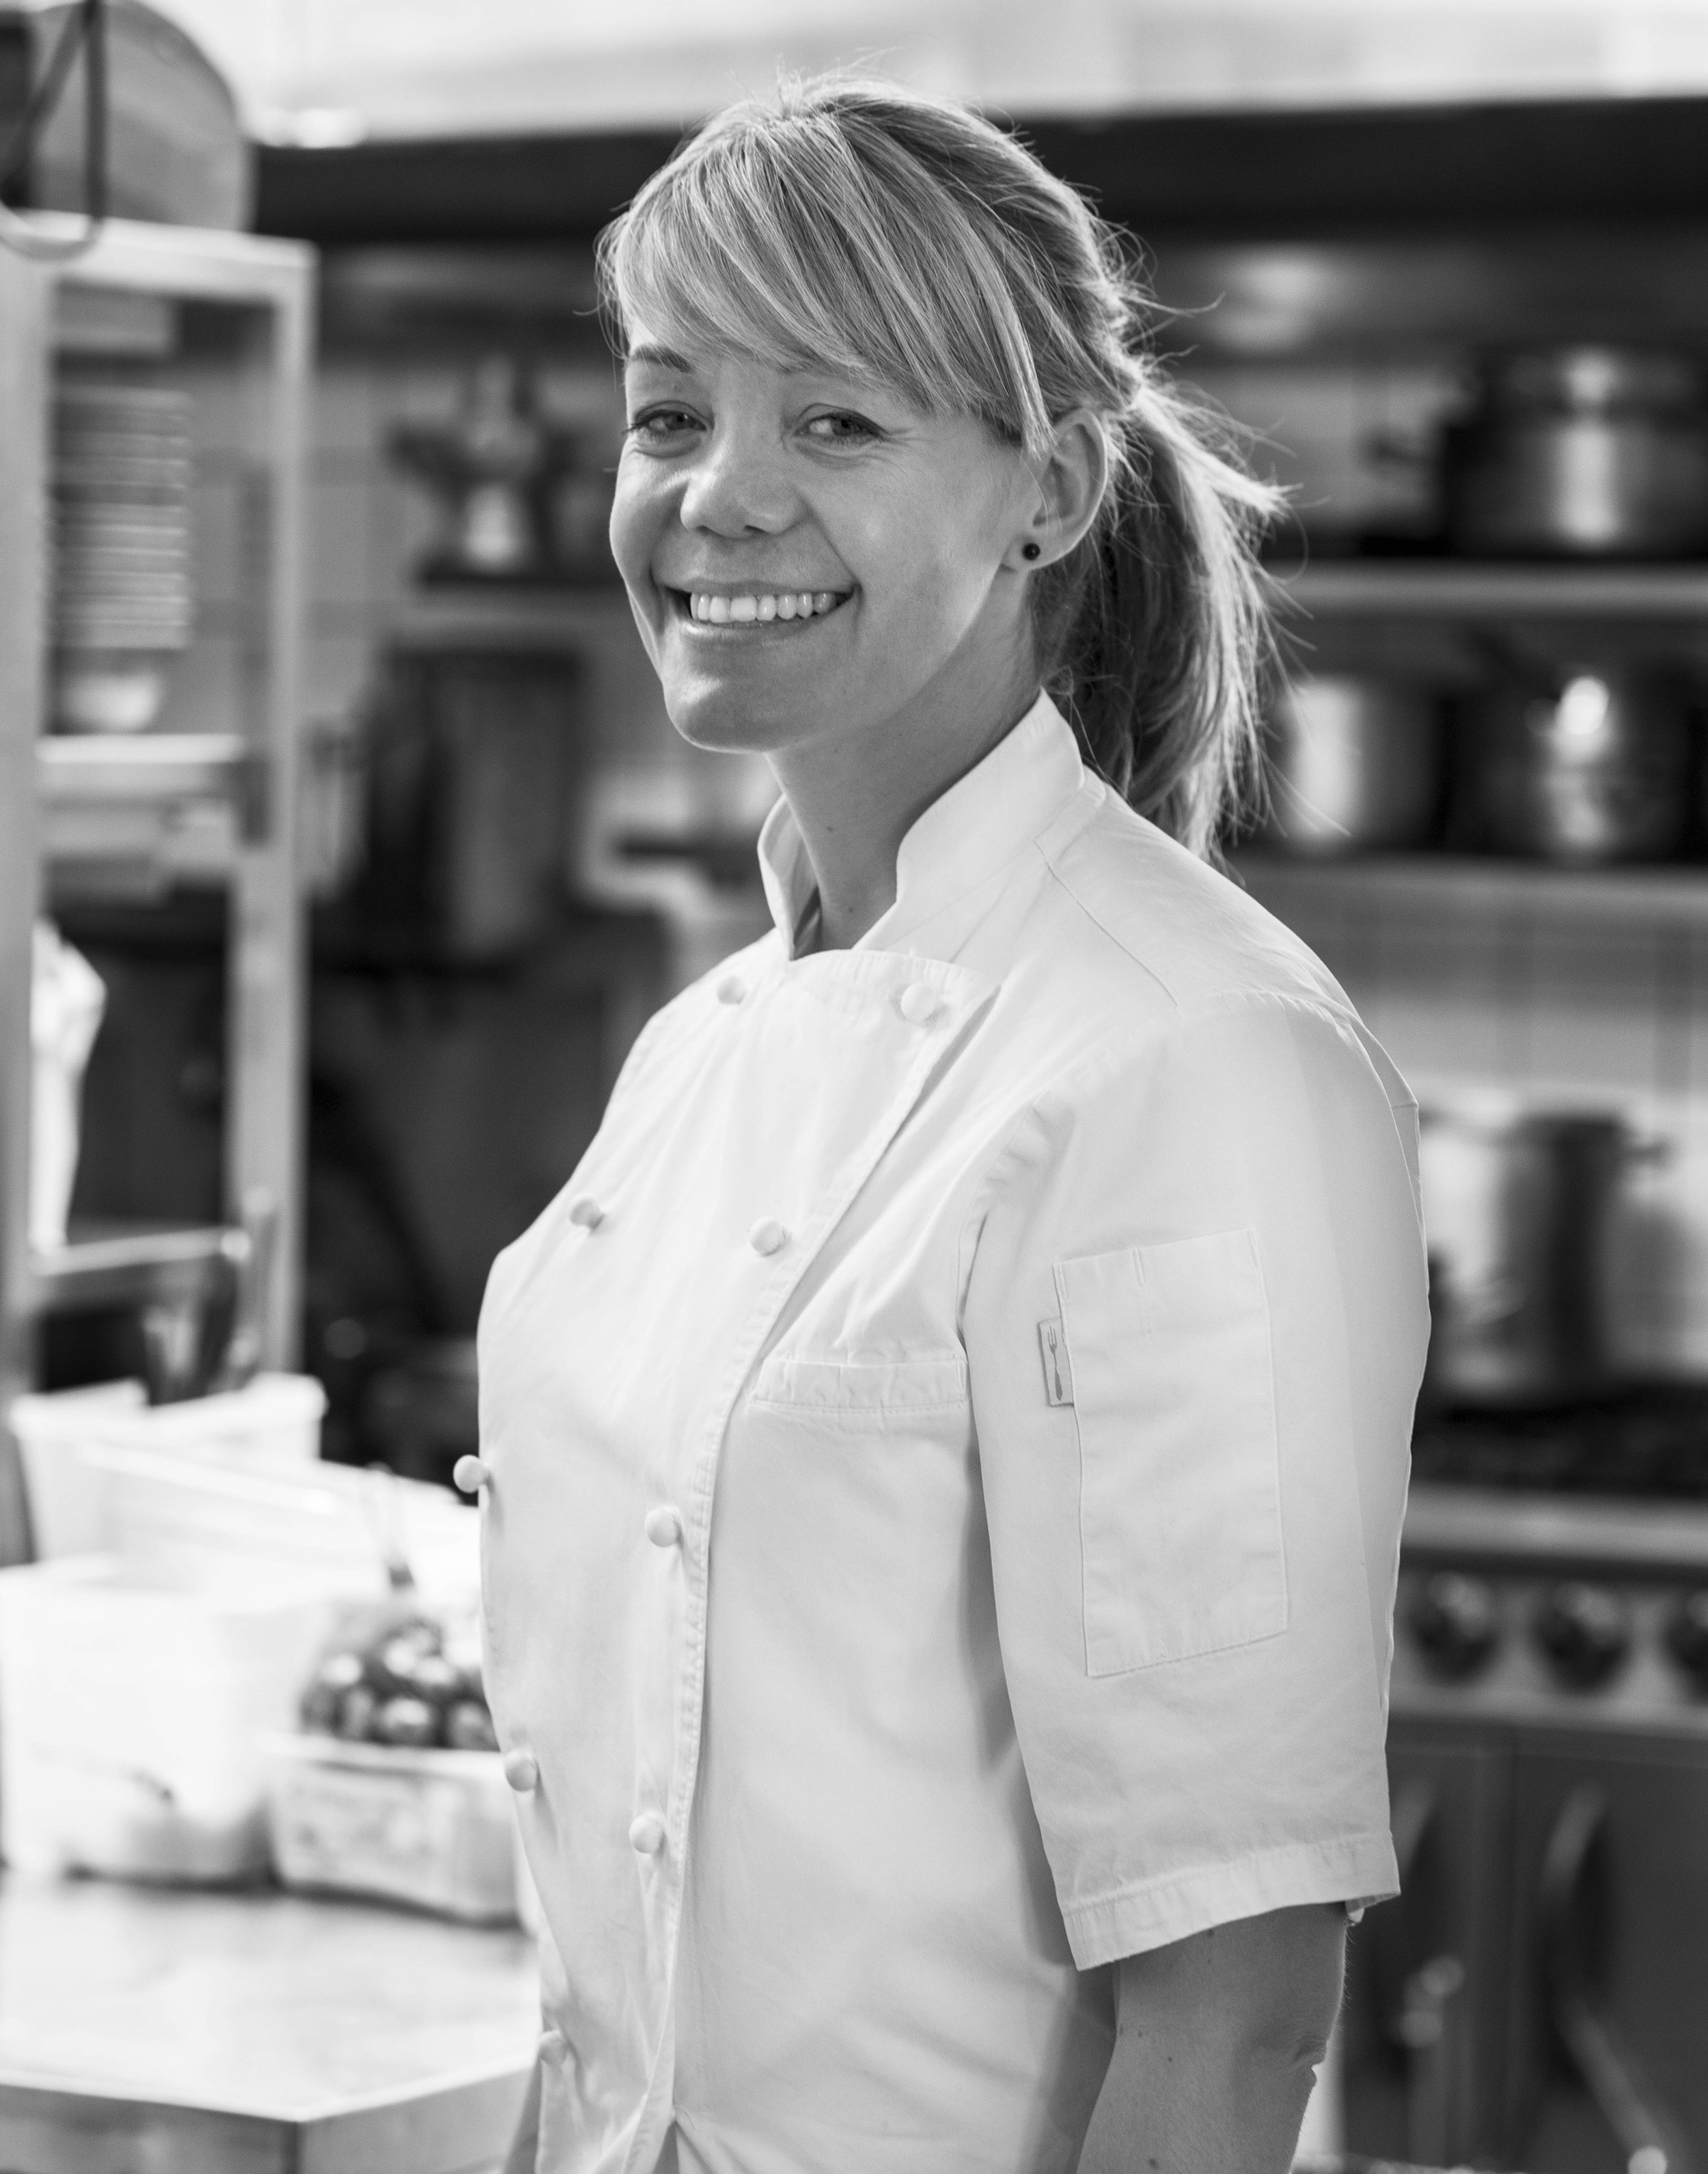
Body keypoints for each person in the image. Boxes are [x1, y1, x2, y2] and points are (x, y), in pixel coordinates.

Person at [478, 75, 1429, 2174]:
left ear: (1051, 492)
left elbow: (1232, 2004)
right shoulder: (712, 1039)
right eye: (667, 412)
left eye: (835, 422)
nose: (713, 498)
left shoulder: (1184, 1060)